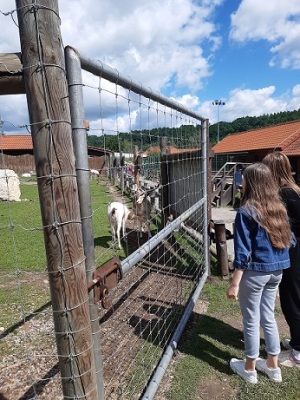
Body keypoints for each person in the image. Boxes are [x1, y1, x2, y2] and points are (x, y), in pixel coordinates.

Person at [227, 163, 293, 383]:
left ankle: (249, 369)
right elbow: (290, 241)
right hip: (277, 272)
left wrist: (235, 283)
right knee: (268, 316)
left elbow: (243, 252)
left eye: (244, 179)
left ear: (251, 183)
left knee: (251, 319)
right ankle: (273, 367)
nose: (240, 182)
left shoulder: (246, 212)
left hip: (255, 273)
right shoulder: (280, 209)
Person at [262, 152, 300, 366]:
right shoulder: (291, 190)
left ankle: (298, 353)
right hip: (294, 249)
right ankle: (297, 341)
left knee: (292, 298)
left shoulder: (287, 194)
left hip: (295, 252)